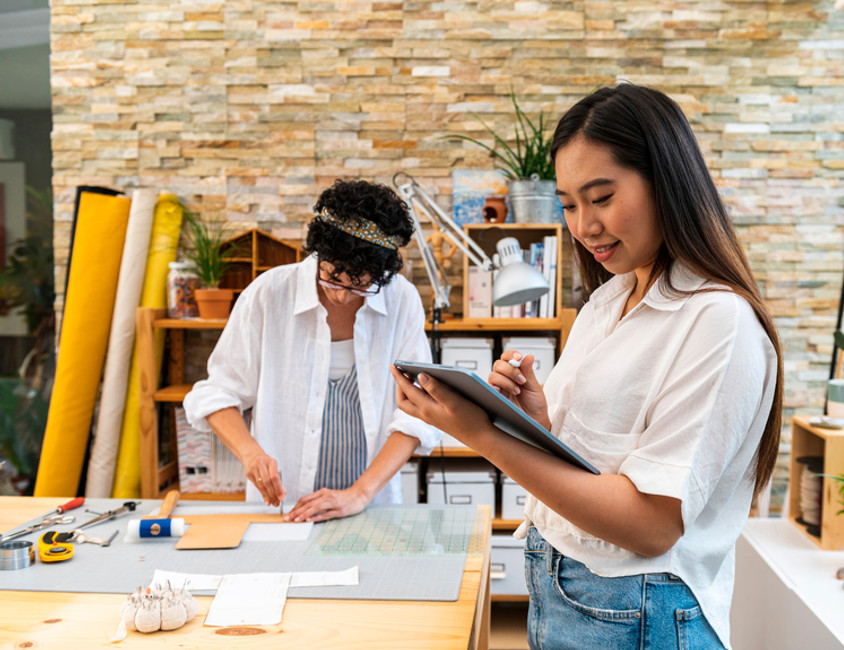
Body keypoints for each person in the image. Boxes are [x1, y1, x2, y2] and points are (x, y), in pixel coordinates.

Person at [391, 84, 783, 649]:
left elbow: (651, 525)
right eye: (569, 204)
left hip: (639, 608)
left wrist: (483, 436)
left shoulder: (718, 320)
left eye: (601, 198)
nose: (583, 226)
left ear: (667, 182)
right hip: (568, 587)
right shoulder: (609, 300)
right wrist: (534, 421)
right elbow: (597, 469)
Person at [184, 178, 441, 522]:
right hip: (282, 507)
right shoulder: (269, 294)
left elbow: (418, 410)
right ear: (318, 253)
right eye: (332, 276)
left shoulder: (401, 300)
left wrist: (359, 494)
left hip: (370, 507)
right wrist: (250, 454)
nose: (341, 295)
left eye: (360, 285)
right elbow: (218, 393)